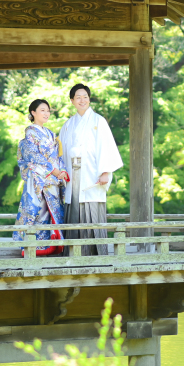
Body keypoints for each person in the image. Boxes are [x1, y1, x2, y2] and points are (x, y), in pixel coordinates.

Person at [59, 83, 123, 256]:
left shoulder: (98, 121)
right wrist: (60, 172)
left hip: (91, 174)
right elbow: (61, 152)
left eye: (85, 97)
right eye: (78, 97)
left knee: (91, 210)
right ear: (72, 100)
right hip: (72, 174)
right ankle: (73, 254)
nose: (82, 100)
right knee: (73, 210)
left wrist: (105, 172)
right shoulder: (67, 124)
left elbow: (106, 146)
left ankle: (96, 254)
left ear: (89, 99)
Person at [13, 99, 69, 256]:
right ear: (33, 112)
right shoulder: (30, 133)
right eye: (42, 110)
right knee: (39, 211)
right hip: (39, 179)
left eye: (48, 111)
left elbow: (58, 156)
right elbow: (33, 157)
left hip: (52, 180)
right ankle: (34, 246)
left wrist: (62, 170)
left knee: (53, 211)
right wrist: (54, 170)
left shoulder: (51, 134)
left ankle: (50, 245)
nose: (46, 113)